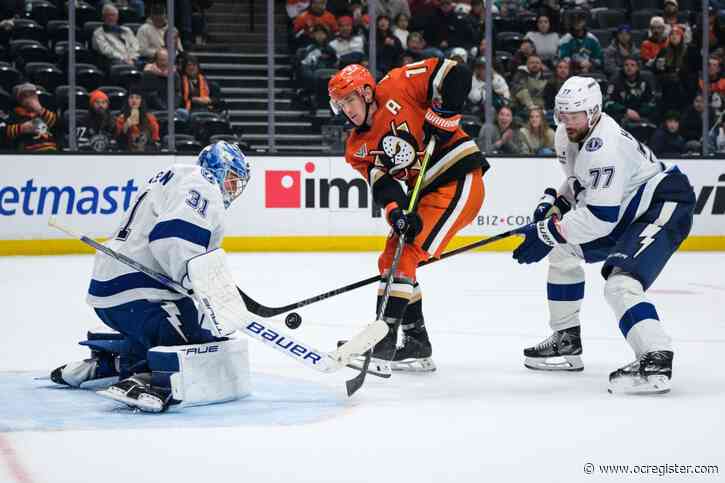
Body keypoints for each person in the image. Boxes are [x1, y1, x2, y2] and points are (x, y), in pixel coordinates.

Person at [513, 76, 695, 394]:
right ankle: (566, 341)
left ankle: (655, 358)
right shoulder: (566, 135)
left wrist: (548, 232)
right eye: (563, 114)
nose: (568, 122)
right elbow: (579, 184)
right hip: (625, 207)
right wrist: (555, 202)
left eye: (576, 115)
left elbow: (600, 218)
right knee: (562, 253)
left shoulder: (605, 145)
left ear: (595, 111)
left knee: (621, 283)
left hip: (662, 203)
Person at [50, 141, 251, 412]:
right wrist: (195, 282)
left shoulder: (176, 176)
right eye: (231, 179)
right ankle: (143, 379)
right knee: (198, 341)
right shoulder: (204, 184)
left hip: (114, 290)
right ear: (217, 168)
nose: (232, 188)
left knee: (196, 330)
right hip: (140, 292)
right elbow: (172, 237)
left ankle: (111, 363)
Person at [328, 61, 489, 374]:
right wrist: (398, 213)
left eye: (349, 99)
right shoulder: (356, 147)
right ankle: (415, 342)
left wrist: (446, 114)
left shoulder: (399, 83)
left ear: (365, 91)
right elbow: (384, 185)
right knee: (391, 257)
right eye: (340, 104)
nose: (346, 109)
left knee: (406, 253)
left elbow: (457, 73)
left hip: (458, 178)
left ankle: (383, 342)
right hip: (427, 191)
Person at [3, 82, 58, 152]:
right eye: (25, 95)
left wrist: (40, 110)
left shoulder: (45, 111)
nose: (30, 98)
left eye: (32, 94)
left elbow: (58, 126)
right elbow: (4, 133)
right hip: (27, 152)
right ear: (19, 99)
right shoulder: (14, 114)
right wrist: (22, 128)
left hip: (50, 151)